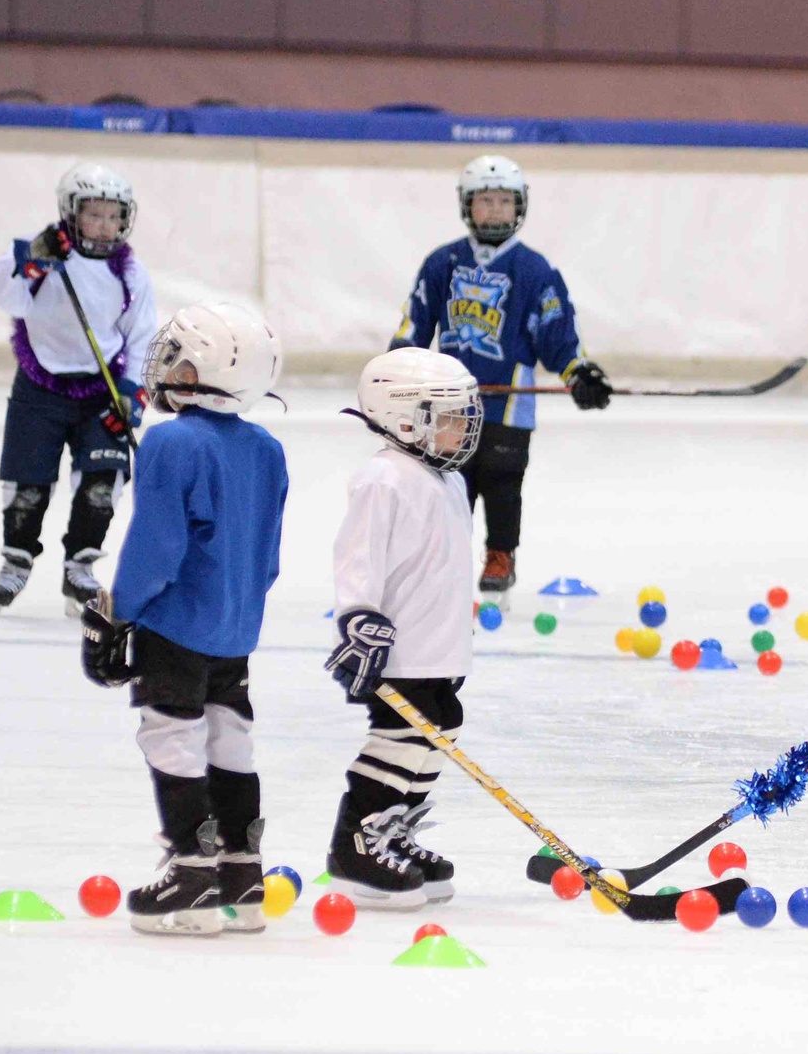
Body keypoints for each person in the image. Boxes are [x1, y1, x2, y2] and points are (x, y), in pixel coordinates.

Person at [80, 302, 286, 937]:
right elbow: (268, 555)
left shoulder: (171, 439)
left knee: (170, 734)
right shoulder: (267, 448)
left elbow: (154, 548)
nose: (166, 367)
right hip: (236, 628)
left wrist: (116, 613)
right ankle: (241, 875)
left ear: (202, 369)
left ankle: (192, 873)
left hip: (176, 626)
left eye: (177, 358)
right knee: (230, 736)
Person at [393, 154, 609, 600]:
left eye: (503, 202)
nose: (493, 210)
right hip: (449, 400)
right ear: (466, 205)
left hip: (509, 404)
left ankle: (500, 555)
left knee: (503, 481)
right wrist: (398, 370)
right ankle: (443, 559)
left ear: (521, 206)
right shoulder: (442, 263)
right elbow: (414, 324)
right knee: (450, 484)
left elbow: (558, 335)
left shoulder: (534, 270)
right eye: (484, 200)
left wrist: (579, 372)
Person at [322, 347, 485, 908]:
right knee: (399, 738)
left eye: (466, 414)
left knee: (442, 726)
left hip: (439, 647)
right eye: (449, 415)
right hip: (400, 649)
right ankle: (355, 846)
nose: (463, 427)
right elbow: (357, 559)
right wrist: (358, 619)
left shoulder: (450, 481)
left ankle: (393, 832)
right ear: (402, 417)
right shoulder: (383, 478)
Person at [0, 163, 157, 614]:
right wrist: (33, 260)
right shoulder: (43, 254)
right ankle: (16, 562)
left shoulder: (132, 272)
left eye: (113, 216)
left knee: (102, 484)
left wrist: (131, 392)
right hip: (39, 388)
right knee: (28, 487)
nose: (104, 226)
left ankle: (79, 566)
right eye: (93, 214)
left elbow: (139, 336)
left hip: (101, 390)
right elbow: (3, 294)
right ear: (70, 212)